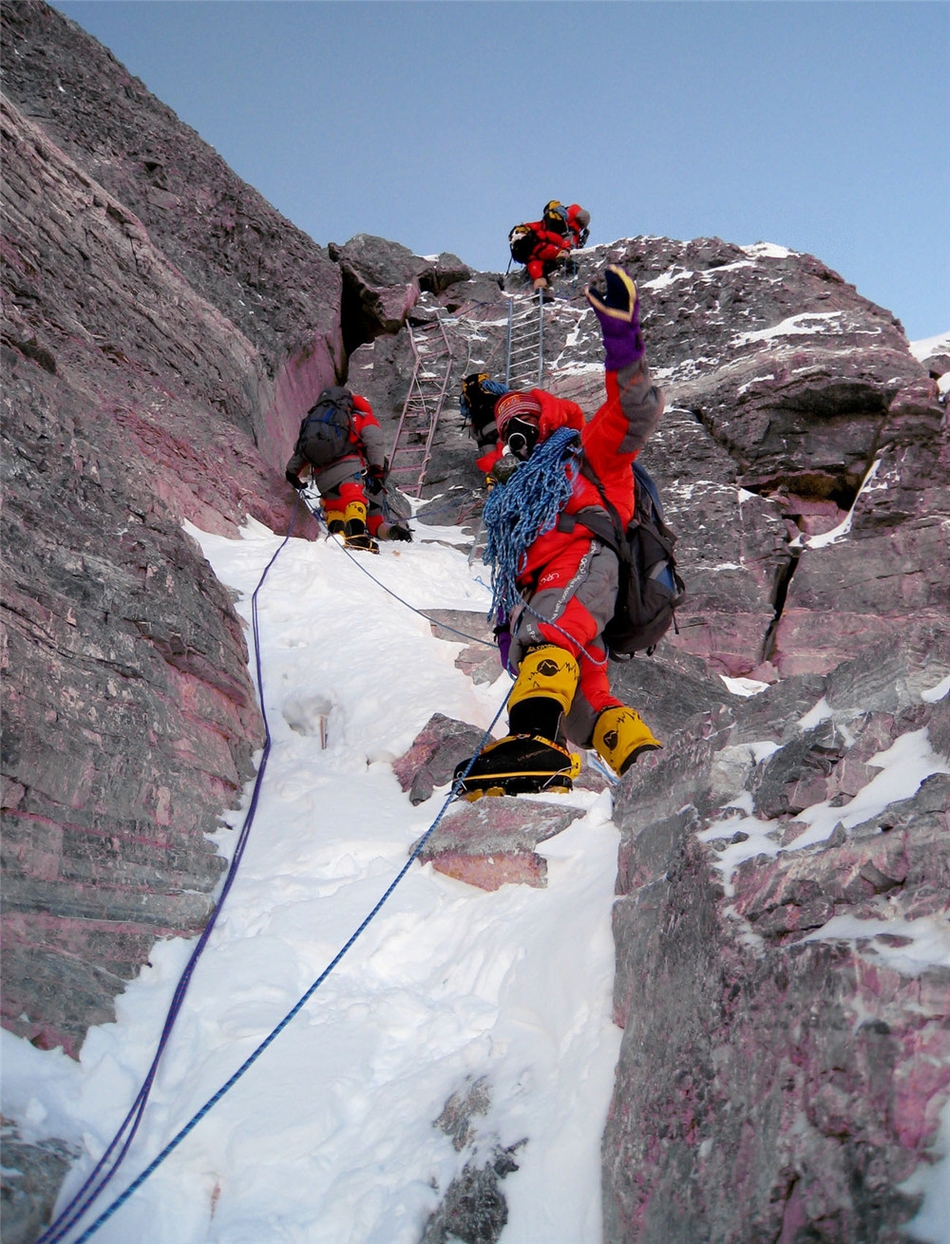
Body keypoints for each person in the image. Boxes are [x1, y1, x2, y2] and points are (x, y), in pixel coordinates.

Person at [455, 265, 664, 798]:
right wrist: (485, 407)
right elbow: (491, 465)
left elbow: (632, 411)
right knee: (586, 706)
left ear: (548, 418)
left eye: (522, 423)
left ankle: (533, 745)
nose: (512, 438)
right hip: (548, 587)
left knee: (546, 638)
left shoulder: (587, 452)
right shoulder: (517, 481)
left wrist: (622, 336)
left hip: (583, 567)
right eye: (507, 431)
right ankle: (652, 772)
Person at [285, 387, 412, 551]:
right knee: (354, 498)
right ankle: (357, 536)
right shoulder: (358, 417)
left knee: (334, 506)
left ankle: (338, 534)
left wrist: (292, 473)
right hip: (349, 471)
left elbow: (301, 450)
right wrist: (377, 470)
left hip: (322, 478)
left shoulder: (315, 423)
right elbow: (375, 441)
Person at [509, 202, 591, 292]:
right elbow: (584, 216)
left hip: (526, 254)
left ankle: (540, 290)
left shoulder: (539, 224)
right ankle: (563, 258)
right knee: (552, 249)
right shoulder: (567, 216)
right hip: (539, 245)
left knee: (537, 271)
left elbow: (533, 228)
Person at [459, 372, 509, 478]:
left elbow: (465, 412)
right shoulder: (486, 384)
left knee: (490, 458)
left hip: (481, 431)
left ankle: (492, 480)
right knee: (504, 451)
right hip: (496, 424)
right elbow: (505, 392)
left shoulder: (466, 393)